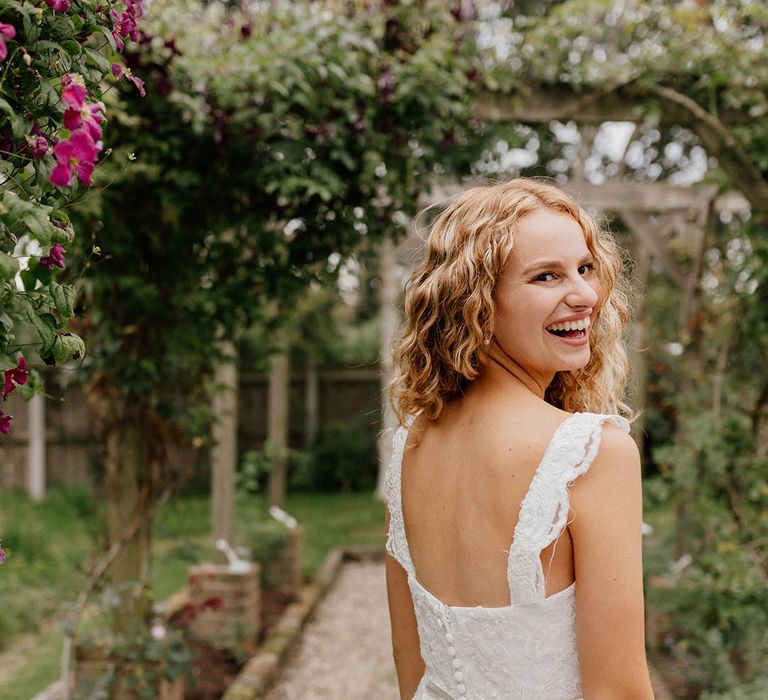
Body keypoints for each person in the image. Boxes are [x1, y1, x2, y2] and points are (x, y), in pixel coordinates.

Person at [384, 179, 654, 700]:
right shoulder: (590, 454)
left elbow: (410, 661)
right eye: (545, 276)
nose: (586, 295)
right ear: (478, 304)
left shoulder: (409, 448)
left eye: (584, 268)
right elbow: (618, 689)